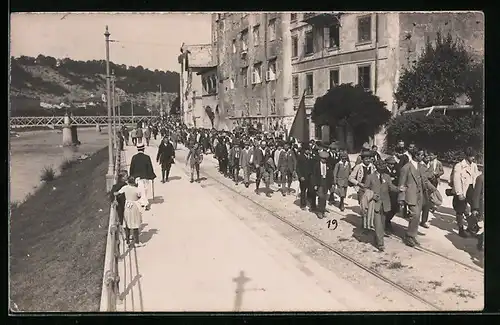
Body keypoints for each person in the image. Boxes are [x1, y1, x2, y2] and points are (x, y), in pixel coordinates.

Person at [398, 148, 437, 247]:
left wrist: (434, 189)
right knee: (414, 215)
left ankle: (412, 235)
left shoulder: (421, 167)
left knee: (417, 216)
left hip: (420, 196)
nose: (423, 157)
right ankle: (409, 236)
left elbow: (425, 181)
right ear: (416, 156)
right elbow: (401, 185)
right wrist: (401, 199)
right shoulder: (406, 168)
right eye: (421, 155)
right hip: (410, 196)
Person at [364, 160, 400, 252]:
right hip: (374, 203)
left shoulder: (387, 177)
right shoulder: (370, 177)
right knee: (378, 224)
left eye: (384, 167)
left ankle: (377, 238)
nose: (383, 169)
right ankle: (380, 244)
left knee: (382, 224)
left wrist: (400, 189)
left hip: (385, 204)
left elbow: (391, 187)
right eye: (381, 167)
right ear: (377, 167)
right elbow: (365, 188)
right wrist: (372, 195)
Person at [451, 147, 480, 237]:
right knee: (460, 210)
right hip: (462, 189)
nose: (473, 158)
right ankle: (461, 229)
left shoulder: (474, 165)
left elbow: (476, 177)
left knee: (475, 208)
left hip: (471, 188)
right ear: (467, 156)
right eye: (471, 156)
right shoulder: (459, 166)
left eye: (474, 156)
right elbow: (456, 180)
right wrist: (459, 193)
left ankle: (472, 227)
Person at [115, 176, 143, 248]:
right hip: (134, 206)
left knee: (127, 223)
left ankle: (127, 241)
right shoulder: (137, 189)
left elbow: (117, 193)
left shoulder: (125, 188)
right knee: (135, 223)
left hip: (127, 206)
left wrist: (115, 196)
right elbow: (139, 196)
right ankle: (136, 242)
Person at [129, 143, 156, 210]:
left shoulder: (134, 157)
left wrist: (131, 175)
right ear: (143, 149)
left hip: (137, 177)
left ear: (137, 149)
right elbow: (150, 167)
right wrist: (152, 176)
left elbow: (132, 167)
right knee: (145, 190)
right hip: (145, 177)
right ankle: (145, 203)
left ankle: (142, 202)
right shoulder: (147, 157)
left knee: (140, 190)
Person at [311, 150, 333, 219]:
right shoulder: (316, 165)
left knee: (324, 197)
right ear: (320, 158)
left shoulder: (328, 165)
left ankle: (323, 209)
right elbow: (314, 175)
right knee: (321, 197)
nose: (324, 160)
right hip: (319, 182)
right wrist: (314, 184)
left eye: (325, 159)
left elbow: (330, 175)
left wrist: (332, 183)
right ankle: (319, 211)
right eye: (322, 158)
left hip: (326, 182)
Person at [296, 144, 315, 211]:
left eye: (309, 150)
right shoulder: (300, 157)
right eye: (307, 150)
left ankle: (312, 205)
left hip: (310, 177)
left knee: (312, 191)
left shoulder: (311, 156)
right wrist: (300, 176)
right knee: (303, 191)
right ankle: (303, 205)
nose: (308, 151)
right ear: (304, 150)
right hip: (303, 177)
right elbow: (297, 168)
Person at [471, 173, 484, 251]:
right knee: (482, 225)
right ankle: (480, 243)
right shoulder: (480, 178)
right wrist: (475, 208)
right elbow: (476, 195)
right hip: (482, 207)